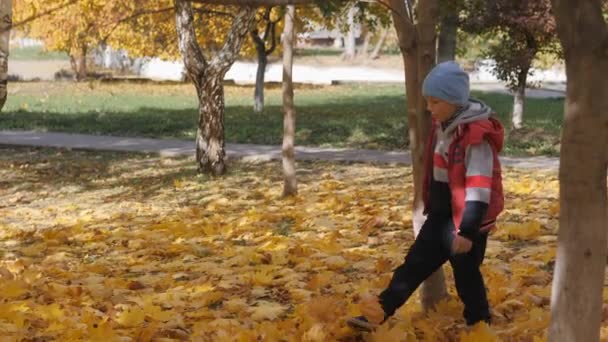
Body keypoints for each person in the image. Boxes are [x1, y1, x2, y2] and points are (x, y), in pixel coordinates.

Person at [348, 61, 504, 332]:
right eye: (428, 102)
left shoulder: (476, 138)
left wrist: (467, 231)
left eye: (435, 102)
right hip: (442, 216)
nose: (429, 108)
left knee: (467, 277)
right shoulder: (444, 126)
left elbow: (479, 188)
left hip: (468, 222)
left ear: (454, 101)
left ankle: (479, 326)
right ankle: (379, 314)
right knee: (413, 265)